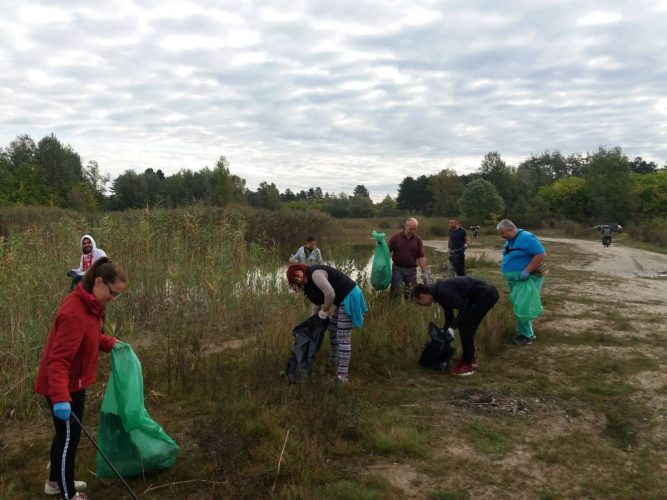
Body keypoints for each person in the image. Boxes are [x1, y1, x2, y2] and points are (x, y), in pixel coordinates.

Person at [35, 257, 127, 499]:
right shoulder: (74, 312)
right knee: (67, 438)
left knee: (67, 436)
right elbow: (58, 361)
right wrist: (60, 399)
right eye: (113, 293)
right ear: (99, 282)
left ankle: (56, 481)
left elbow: (90, 336)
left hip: (74, 382)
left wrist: (110, 343)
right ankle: (68, 493)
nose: (114, 299)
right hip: (62, 385)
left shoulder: (90, 306)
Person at [286, 263, 367, 384]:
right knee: (333, 329)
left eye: (296, 274)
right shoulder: (308, 286)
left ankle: (343, 377)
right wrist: (314, 321)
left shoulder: (315, 274)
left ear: (300, 269)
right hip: (342, 300)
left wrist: (324, 311)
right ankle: (333, 361)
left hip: (350, 296)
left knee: (343, 337)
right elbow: (317, 303)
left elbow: (330, 294)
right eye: (294, 279)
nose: (297, 278)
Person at [412, 278, 499, 376]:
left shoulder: (442, 292)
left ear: (422, 297)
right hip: (480, 296)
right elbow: (449, 317)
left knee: (466, 326)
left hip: (486, 294)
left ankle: (468, 364)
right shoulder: (439, 294)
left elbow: (464, 309)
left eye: (419, 303)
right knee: (465, 324)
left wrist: (452, 328)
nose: (421, 306)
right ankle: (470, 359)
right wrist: (444, 332)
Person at [497, 219, 547, 345]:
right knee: (519, 304)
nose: (501, 236)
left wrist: (527, 270)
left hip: (527, 278)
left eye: (503, 233)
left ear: (511, 229)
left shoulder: (526, 237)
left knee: (522, 305)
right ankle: (527, 333)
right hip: (516, 279)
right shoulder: (510, 240)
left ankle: (525, 337)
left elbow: (541, 254)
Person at [387, 218, 429, 297]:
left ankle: (409, 307)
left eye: (414, 229)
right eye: (411, 229)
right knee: (396, 292)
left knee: (411, 293)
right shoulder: (396, 238)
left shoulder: (418, 240)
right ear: (406, 226)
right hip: (397, 269)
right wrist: (380, 245)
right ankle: (395, 307)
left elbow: (421, 257)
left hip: (411, 270)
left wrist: (424, 272)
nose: (412, 231)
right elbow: (386, 251)